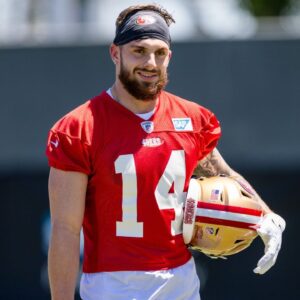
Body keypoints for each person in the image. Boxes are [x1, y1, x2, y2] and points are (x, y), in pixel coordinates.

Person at [46, 4, 286, 300]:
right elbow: (65, 230)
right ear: (115, 53)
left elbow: (222, 173)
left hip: (181, 282)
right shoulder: (79, 128)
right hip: (111, 285)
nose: (150, 62)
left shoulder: (190, 118)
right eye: (139, 50)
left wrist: (266, 215)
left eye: (159, 53)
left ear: (169, 57)